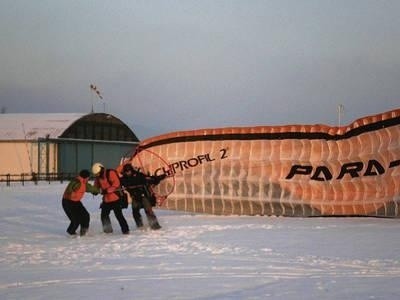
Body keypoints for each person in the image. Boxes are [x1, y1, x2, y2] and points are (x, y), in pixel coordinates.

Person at [120, 163, 165, 230]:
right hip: (134, 197)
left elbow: (150, 179)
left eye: (128, 171)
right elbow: (117, 183)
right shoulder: (123, 179)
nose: (127, 173)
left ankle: (155, 226)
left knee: (148, 210)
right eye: (126, 171)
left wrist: (159, 178)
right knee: (135, 212)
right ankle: (140, 225)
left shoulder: (139, 175)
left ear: (131, 170)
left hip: (143, 195)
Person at [92, 162, 130, 234]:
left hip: (115, 198)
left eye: (98, 173)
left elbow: (116, 183)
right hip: (106, 200)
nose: (97, 175)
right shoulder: (98, 177)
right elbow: (96, 185)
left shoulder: (110, 173)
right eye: (96, 174)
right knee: (104, 216)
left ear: (101, 169)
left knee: (118, 215)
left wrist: (107, 190)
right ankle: (108, 230)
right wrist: (95, 191)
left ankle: (126, 230)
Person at [62, 169, 99, 236]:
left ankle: (84, 232)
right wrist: (71, 193)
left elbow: (89, 187)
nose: (88, 178)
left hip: (76, 202)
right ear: (85, 177)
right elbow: (71, 189)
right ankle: (71, 232)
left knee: (86, 216)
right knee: (76, 220)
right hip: (68, 202)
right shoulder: (77, 182)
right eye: (88, 177)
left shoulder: (83, 183)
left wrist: (96, 191)